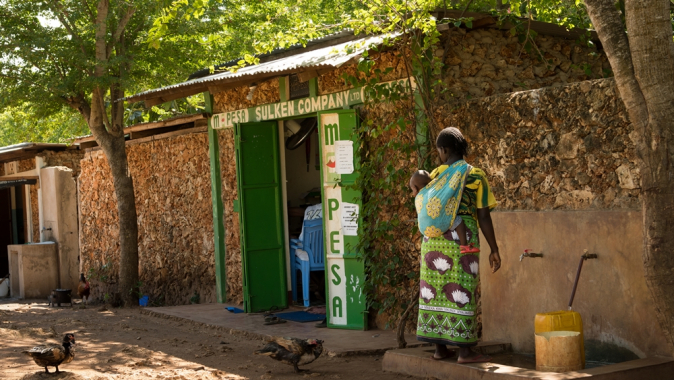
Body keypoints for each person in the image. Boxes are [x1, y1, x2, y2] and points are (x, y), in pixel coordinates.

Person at [414, 127, 501, 364]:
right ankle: (464, 352)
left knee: (434, 291)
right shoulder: (475, 175)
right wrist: (494, 248)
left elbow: (425, 204)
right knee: (462, 290)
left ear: (443, 150)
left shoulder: (434, 174)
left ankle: (439, 349)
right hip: (463, 242)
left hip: (432, 241)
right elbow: (483, 216)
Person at [409, 170, 478, 254]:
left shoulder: (418, 198)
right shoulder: (435, 192)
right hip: (441, 225)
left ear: (415, 188)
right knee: (458, 221)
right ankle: (464, 246)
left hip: (425, 230)